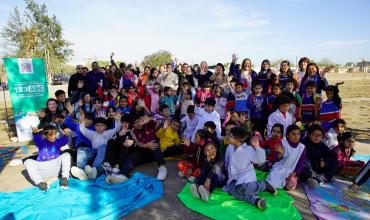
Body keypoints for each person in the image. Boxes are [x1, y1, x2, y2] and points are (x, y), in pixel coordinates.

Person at [224, 127, 277, 210]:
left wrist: (257, 146)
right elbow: (227, 162)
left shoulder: (248, 150)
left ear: (237, 140)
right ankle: (255, 200)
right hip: (234, 178)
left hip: (246, 179)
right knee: (231, 191)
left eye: (230, 136)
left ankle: (263, 185)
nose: (228, 136)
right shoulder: (229, 147)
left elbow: (260, 160)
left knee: (242, 189)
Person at [71, 110, 122, 180]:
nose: (100, 127)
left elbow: (117, 129)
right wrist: (82, 121)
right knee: (81, 149)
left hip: (103, 154)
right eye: (97, 125)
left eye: (102, 125)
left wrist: (117, 120)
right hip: (94, 152)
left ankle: (94, 170)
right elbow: (83, 130)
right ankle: (81, 171)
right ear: (94, 127)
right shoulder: (92, 134)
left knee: (103, 147)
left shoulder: (108, 133)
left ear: (105, 127)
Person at [24, 125, 71, 191]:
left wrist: (66, 134)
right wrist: (35, 133)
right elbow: (37, 139)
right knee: (27, 162)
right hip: (43, 170)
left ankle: (64, 179)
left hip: (56, 169)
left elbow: (65, 139)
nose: (54, 136)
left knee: (66, 155)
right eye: (51, 135)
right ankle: (40, 183)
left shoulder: (58, 142)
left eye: (55, 134)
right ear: (45, 136)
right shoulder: (41, 143)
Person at [266, 125, 306, 190]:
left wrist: (295, 173)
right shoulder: (282, 143)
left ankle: (294, 179)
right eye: (293, 134)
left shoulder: (302, 147)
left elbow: (301, 163)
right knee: (271, 183)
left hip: (291, 172)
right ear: (287, 135)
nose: (296, 136)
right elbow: (276, 158)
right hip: (279, 168)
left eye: (298, 134)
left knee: (290, 186)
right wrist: (280, 154)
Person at [128, 116, 168, 180]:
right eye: (135, 123)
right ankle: (123, 174)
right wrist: (146, 145)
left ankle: (162, 167)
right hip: (144, 152)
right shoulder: (132, 131)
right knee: (131, 157)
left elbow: (154, 123)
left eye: (139, 121)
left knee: (155, 144)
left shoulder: (148, 124)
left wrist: (149, 120)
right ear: (132, 125)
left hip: (154, 150)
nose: (138, 124)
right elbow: (138, 143)